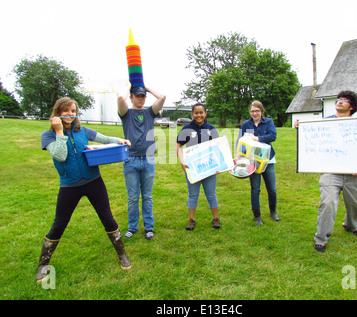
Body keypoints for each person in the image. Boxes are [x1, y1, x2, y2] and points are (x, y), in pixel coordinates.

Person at [37, 97, 132, 283]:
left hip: (93, 181)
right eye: (66, 111)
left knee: (108, 218)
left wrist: (119, 139)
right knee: (59, 225)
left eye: (73, 111)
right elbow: (61, 155)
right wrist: (59, 132)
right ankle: (43, 265)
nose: (70, 114)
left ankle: (122, 255)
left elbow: (102, 138)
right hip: (69, 185)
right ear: (57, 112)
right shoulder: (47, 135)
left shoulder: (81, 129)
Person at [295, 90, 357, 253]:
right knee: (328, 203)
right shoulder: (324, 123)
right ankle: (321, 238)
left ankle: (351, 225)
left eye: (344, 100)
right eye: (338, 99)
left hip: (354, 173)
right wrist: (300, 127)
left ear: (352, 106)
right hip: (330, 171)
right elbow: (311, 136)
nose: (339, 101)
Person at [117, 86, 166, 240]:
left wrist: (147, 88)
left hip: (149, 159)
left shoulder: (149, 112)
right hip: (131, 159)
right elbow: (120, 99)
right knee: (132, 197)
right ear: (131, 97)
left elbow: (162, 97)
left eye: (143, 96)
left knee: (147, 196)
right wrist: (128, 85)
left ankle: (149, 228)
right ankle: (132, 227)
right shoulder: (126, 114)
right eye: (137, 96)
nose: (141, 98)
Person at [176, 103, 221, 230]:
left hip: (209, 168)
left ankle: (215, 218)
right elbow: (179, 146)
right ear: (192, 114)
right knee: (193, 194)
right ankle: (191, 220)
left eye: (201, 112)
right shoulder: (186, 129)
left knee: (211, 194)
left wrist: (219, 166)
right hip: (192, 168)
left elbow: (218, 148)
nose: (199, 115)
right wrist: (182, 161)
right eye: (196, 113)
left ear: (205, 113)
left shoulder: (212, 129)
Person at [239, 100, 280, 225]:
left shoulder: (269, 122)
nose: (254, 113)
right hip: (252, 160)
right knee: (255, 189)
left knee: (272, 189)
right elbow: (240, 141)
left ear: (261, 111)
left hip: (267, 160)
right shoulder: (246, 125)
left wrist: (257, 138)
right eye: (252, 111)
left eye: (257, 111)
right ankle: (257, 216)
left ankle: (273, 211)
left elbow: (273, 136)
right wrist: (239, 155)